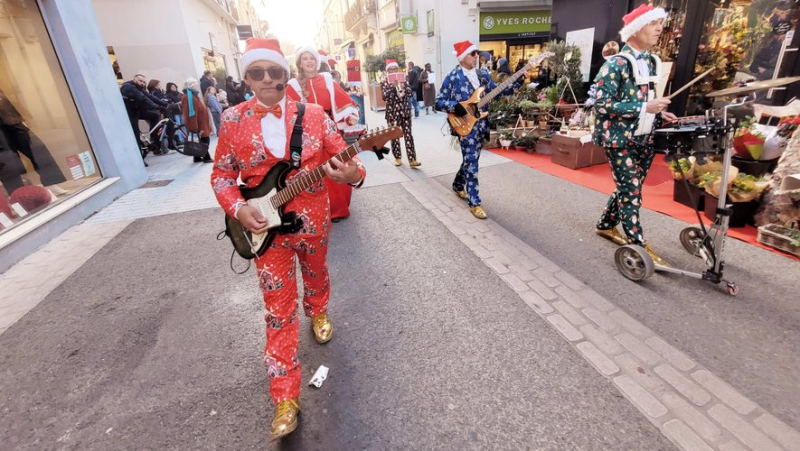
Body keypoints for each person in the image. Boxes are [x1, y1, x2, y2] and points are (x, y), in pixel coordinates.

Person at [210, 37, 366, 440]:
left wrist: (351, 174)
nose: (266, 79)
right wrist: (237, 208)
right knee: (277, 309)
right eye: (256, 72)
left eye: (274, 71)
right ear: (245, 77)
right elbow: (223, 175)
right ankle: (285, 396)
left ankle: (318, 310)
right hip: (264, 230)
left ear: (284, 75)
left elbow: (351, 161)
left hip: (313, 221)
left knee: (316, 275)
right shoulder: (231, 120)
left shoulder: (313, 115)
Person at [592, 5, 678, 266]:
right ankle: (637, 245)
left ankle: (606, 224)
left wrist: (658, 112)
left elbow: (647, 97)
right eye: (653, 24)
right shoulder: (615, 64)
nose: (659, 28)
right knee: (631, 190)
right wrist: (643, 108)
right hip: (619, 139)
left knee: (631, 187)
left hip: (645, 136)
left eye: (660, 23)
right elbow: (601, 103)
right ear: (636, 28)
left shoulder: (651, 62)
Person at [435, 41, 524, 219]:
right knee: (472, 162)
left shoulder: (483, 74)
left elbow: (499, 92)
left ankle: (458, 184)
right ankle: (474, 202)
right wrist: (455, 107)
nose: (477, 56)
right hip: (464, 126)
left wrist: (518, 81)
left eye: (476, 53)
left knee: (471, 159)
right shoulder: (452, 77)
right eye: (472, 54)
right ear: (462, 57)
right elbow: (438, 101)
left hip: (481, 125)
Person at [287, 46, 360, 223]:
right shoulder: (292, 85)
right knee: (310, 173)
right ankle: (314, 209)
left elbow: (344, 100)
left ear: (317, 61)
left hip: (331, 132)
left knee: (337, 168)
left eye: (311, 58)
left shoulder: (327, 80)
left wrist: (349, 115)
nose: (309, 61)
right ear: (299, 63)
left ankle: (337, 209)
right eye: (305, 58)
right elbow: (287, 111)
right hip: (306, 136)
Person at [0, 88, 67, 195]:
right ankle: (18, 195)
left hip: (8, 115)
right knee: (8, 161)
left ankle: (51, 183)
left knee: (37, 148)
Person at [381, 59, 420, 168]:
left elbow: (410, 93)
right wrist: (393, 87)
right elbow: (384, 97)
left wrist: (403, 87)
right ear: (387, 71)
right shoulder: (384, 82)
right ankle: (397, 158)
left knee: (408, 135)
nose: (394, 71)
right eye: (391, 69)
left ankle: (412, 160)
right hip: (392, 113)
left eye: (395, 68)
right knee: (394, 136)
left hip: (405, 112)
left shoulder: (404, 79)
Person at [120, 74, 169, 155]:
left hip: (138, 111)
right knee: (136, 134)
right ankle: (140, 157)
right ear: (135, 80)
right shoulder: (128, 87)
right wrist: (157, 107)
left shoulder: (139, 88)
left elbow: (150, 96)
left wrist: (164, 104)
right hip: (130, 113)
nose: (142, 83)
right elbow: (143, 98)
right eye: (140, 81)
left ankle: (154, 139)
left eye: (144, 82)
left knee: (155, 116)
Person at [181, 78, 212, 163]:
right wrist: (193, 127)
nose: (197, 86)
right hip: (198, 123)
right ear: (191, 86)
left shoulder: (192, 95)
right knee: (204, 140)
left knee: (199, 140)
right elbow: (190, 113)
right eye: (196, 85)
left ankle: (197, 157)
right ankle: (206, 157)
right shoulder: (189, 97)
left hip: (201, 122)